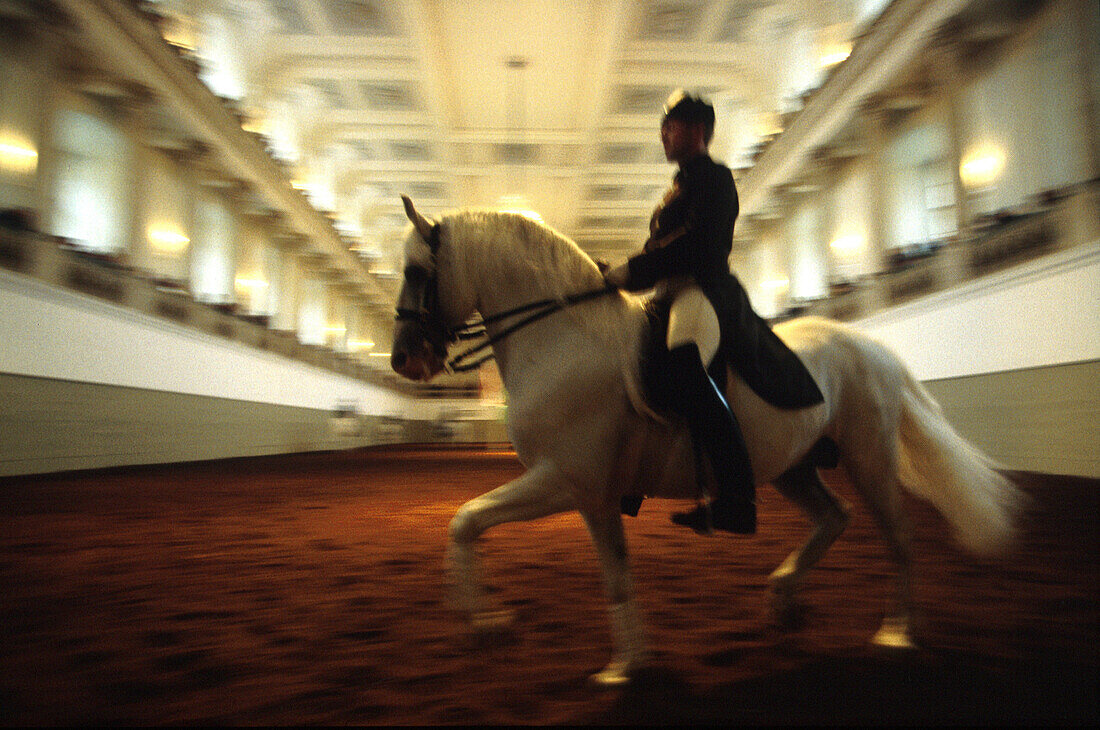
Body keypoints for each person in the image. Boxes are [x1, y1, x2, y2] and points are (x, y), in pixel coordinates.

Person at [603, 90, 824, 535]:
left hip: (702, 290)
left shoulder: (717, 179)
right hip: (666, 295)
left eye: (671, 126)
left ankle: (737, 499)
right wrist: (625, 274)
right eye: (662, 127)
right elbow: (660, 247)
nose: (663, 134)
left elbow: (694, 245)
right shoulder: (678, 187)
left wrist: (631, 270)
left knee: (685, 368)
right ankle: (632, 476)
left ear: (698, 131)